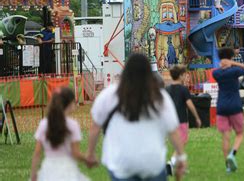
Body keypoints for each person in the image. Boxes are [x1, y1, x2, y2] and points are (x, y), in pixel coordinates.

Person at [87, 53, 186, 181]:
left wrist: (90, 153)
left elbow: (95, 128)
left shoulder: (109, 95)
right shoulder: (159, 97)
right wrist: (181, 157)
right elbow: (173, 132)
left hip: (121, 163)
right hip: (153, 163)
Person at [31, 87, 91, 181]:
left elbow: (37, 153)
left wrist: (33, 174)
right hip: (67, 169)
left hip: (48, 169)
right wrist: (87, 159)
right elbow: (75, 153)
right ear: (70, 104)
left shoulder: (44, 124)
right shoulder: (73, 125)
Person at [212, 47, 244, 173]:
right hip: (235, 106)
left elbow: (216, 71)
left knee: (225, 137)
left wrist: (224, 64)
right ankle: (233, 154)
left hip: (221, 106)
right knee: (240, 133)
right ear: (231, 57)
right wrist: (233, 63)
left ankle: (227, 165)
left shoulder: (216, 73)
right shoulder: (235, 71)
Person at [166, 65, 201, 171]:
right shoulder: (183, 89)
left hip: (170, 120)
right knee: (182, 142)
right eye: (184, 75)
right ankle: (171, 162)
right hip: (181, 120)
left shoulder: (167, 89)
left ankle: (181, 166)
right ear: (181, 76)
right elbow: (189, 104)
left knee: (179, 142)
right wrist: (197, 117)